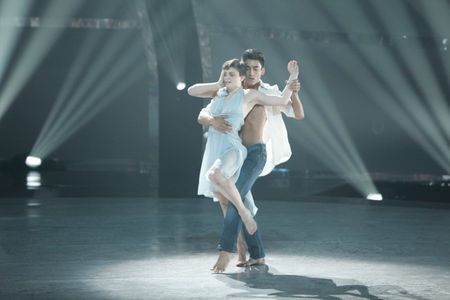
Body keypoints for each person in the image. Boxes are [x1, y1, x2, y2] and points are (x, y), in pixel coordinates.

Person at [198, 49, 304, 272]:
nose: (252, 72)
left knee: (237, 202)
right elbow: (201, 102)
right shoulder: (234, 89)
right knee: (237, 201)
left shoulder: (265, 92)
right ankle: (257, 254)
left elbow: (296, 113)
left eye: (256, 68)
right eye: (248, 68)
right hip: (233, 155)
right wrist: (212, 114)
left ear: (262, 70)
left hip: (254, 153)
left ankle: (226, 252)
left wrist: (293, 87)